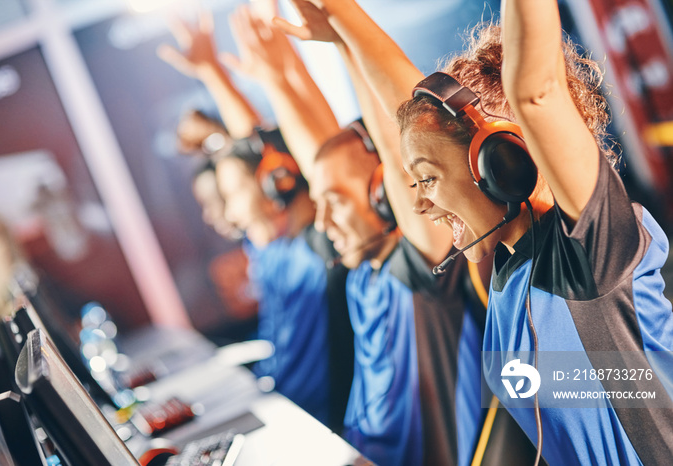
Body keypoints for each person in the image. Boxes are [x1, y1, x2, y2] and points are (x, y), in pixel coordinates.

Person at [286, 0, 673, 464]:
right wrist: (343, 19)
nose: (418, 203)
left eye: (428, 179)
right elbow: (403, 111)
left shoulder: (591, 251)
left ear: (498, 162)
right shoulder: (508, 272)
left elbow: (537, 92)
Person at [225, 5, 505, 465]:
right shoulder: (362, 277)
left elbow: (395, 127)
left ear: (383, 195)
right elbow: (320, 150)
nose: (323, 220)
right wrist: (286, 71)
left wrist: (345, 32)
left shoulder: (421, 269)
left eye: (335, 201)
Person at [158, 10, 354, 433]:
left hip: (320, 426)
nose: (224, 213)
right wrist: (214, 75)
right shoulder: (272, 247)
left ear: (275, 184)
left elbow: (277, 149)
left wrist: (279, 75)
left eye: (228, 196)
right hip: (287, 412)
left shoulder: (323, 242)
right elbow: (250, 147)